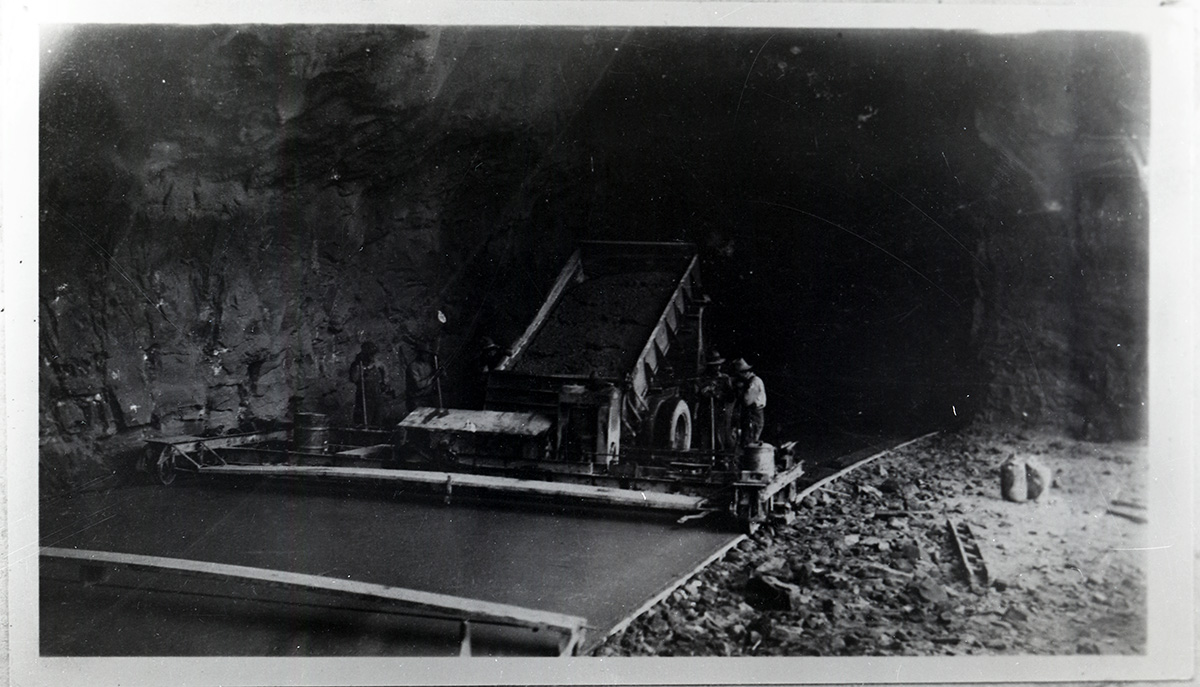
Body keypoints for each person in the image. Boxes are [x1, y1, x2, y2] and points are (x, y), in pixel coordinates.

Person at [696, 350, 735, 453]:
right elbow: (696, 396)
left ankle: (720, 461)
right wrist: (704, 391)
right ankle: (705, 462)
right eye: (714, 366)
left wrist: (718, 394)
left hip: (719, 413)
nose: (717, 368)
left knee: (719, 438)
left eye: (719, 365)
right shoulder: (702, 378)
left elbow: (731, 397)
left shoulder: (725, 378)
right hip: (704, 412)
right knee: (704, 439)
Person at [349, 341, 388, 428]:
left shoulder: (378, 364)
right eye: (369, 355)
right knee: (362, 422)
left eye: (373, 355)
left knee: (377, 421)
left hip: (377, 396)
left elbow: (385, 372)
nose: (372, 357)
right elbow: (354, 379)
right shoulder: (357, 364)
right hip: (363, 397)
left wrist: (384, 382)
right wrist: (359, 368)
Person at [731, 357, 766, 447]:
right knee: (745, 441)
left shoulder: (754, 382)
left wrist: (740, 390)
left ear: (745, 372)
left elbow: (747, 401)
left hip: (753, 416)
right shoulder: (748, 382)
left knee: (749, 443)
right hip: (749, 415)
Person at [405, 345, 440, 413]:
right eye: (425, 353)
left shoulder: (427, 365)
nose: (427, 356)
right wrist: (433, 377)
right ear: (419, 353)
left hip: (428, 398)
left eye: (428, 354)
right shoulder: (413, 367)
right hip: (417, 401)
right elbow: (419, 385)